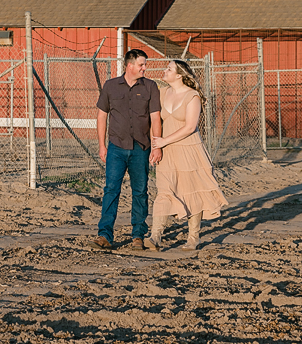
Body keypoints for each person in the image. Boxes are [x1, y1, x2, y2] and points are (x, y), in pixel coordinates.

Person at [146, 60, 227, 251]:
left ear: (179, 75)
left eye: (169, 69)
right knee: (164, 191)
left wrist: (164, 141)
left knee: (193, 192)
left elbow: (190, 127)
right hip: (167, 152)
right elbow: (154, 120)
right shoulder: (163, 93)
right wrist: (155, 145)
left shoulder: (193, 97)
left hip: (190, 150)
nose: (164, 71)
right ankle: (155, 236)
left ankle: (193, 238)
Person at [90, 49, 162, 251]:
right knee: (111, 190)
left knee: (140, 192)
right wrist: (102, 145)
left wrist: (156, 146)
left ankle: (138, 235)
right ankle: (105, 235)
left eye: (145, 64)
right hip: (116, 148)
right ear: (129, 66)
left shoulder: (150, 87)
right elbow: (102, 116)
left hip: (141, 148)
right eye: (141, 65)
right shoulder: (111, 86)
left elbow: (155, 117)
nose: (144, 68)